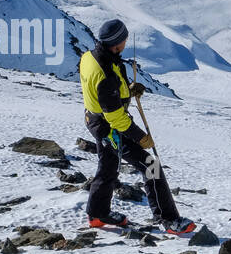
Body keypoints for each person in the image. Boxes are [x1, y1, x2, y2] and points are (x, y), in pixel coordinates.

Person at [79, 19, 194, 235]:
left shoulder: (90, 56)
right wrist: (141, 137)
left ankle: (97, 213)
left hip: (93, 119)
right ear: (116, 43)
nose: (125, 42)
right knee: (151, 166)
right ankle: (169, 220)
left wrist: (127, 90)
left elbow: (102, 91)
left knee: (107, 167)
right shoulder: (106, 74)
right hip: (110, 129)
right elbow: (116, 118)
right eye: (124, 39)